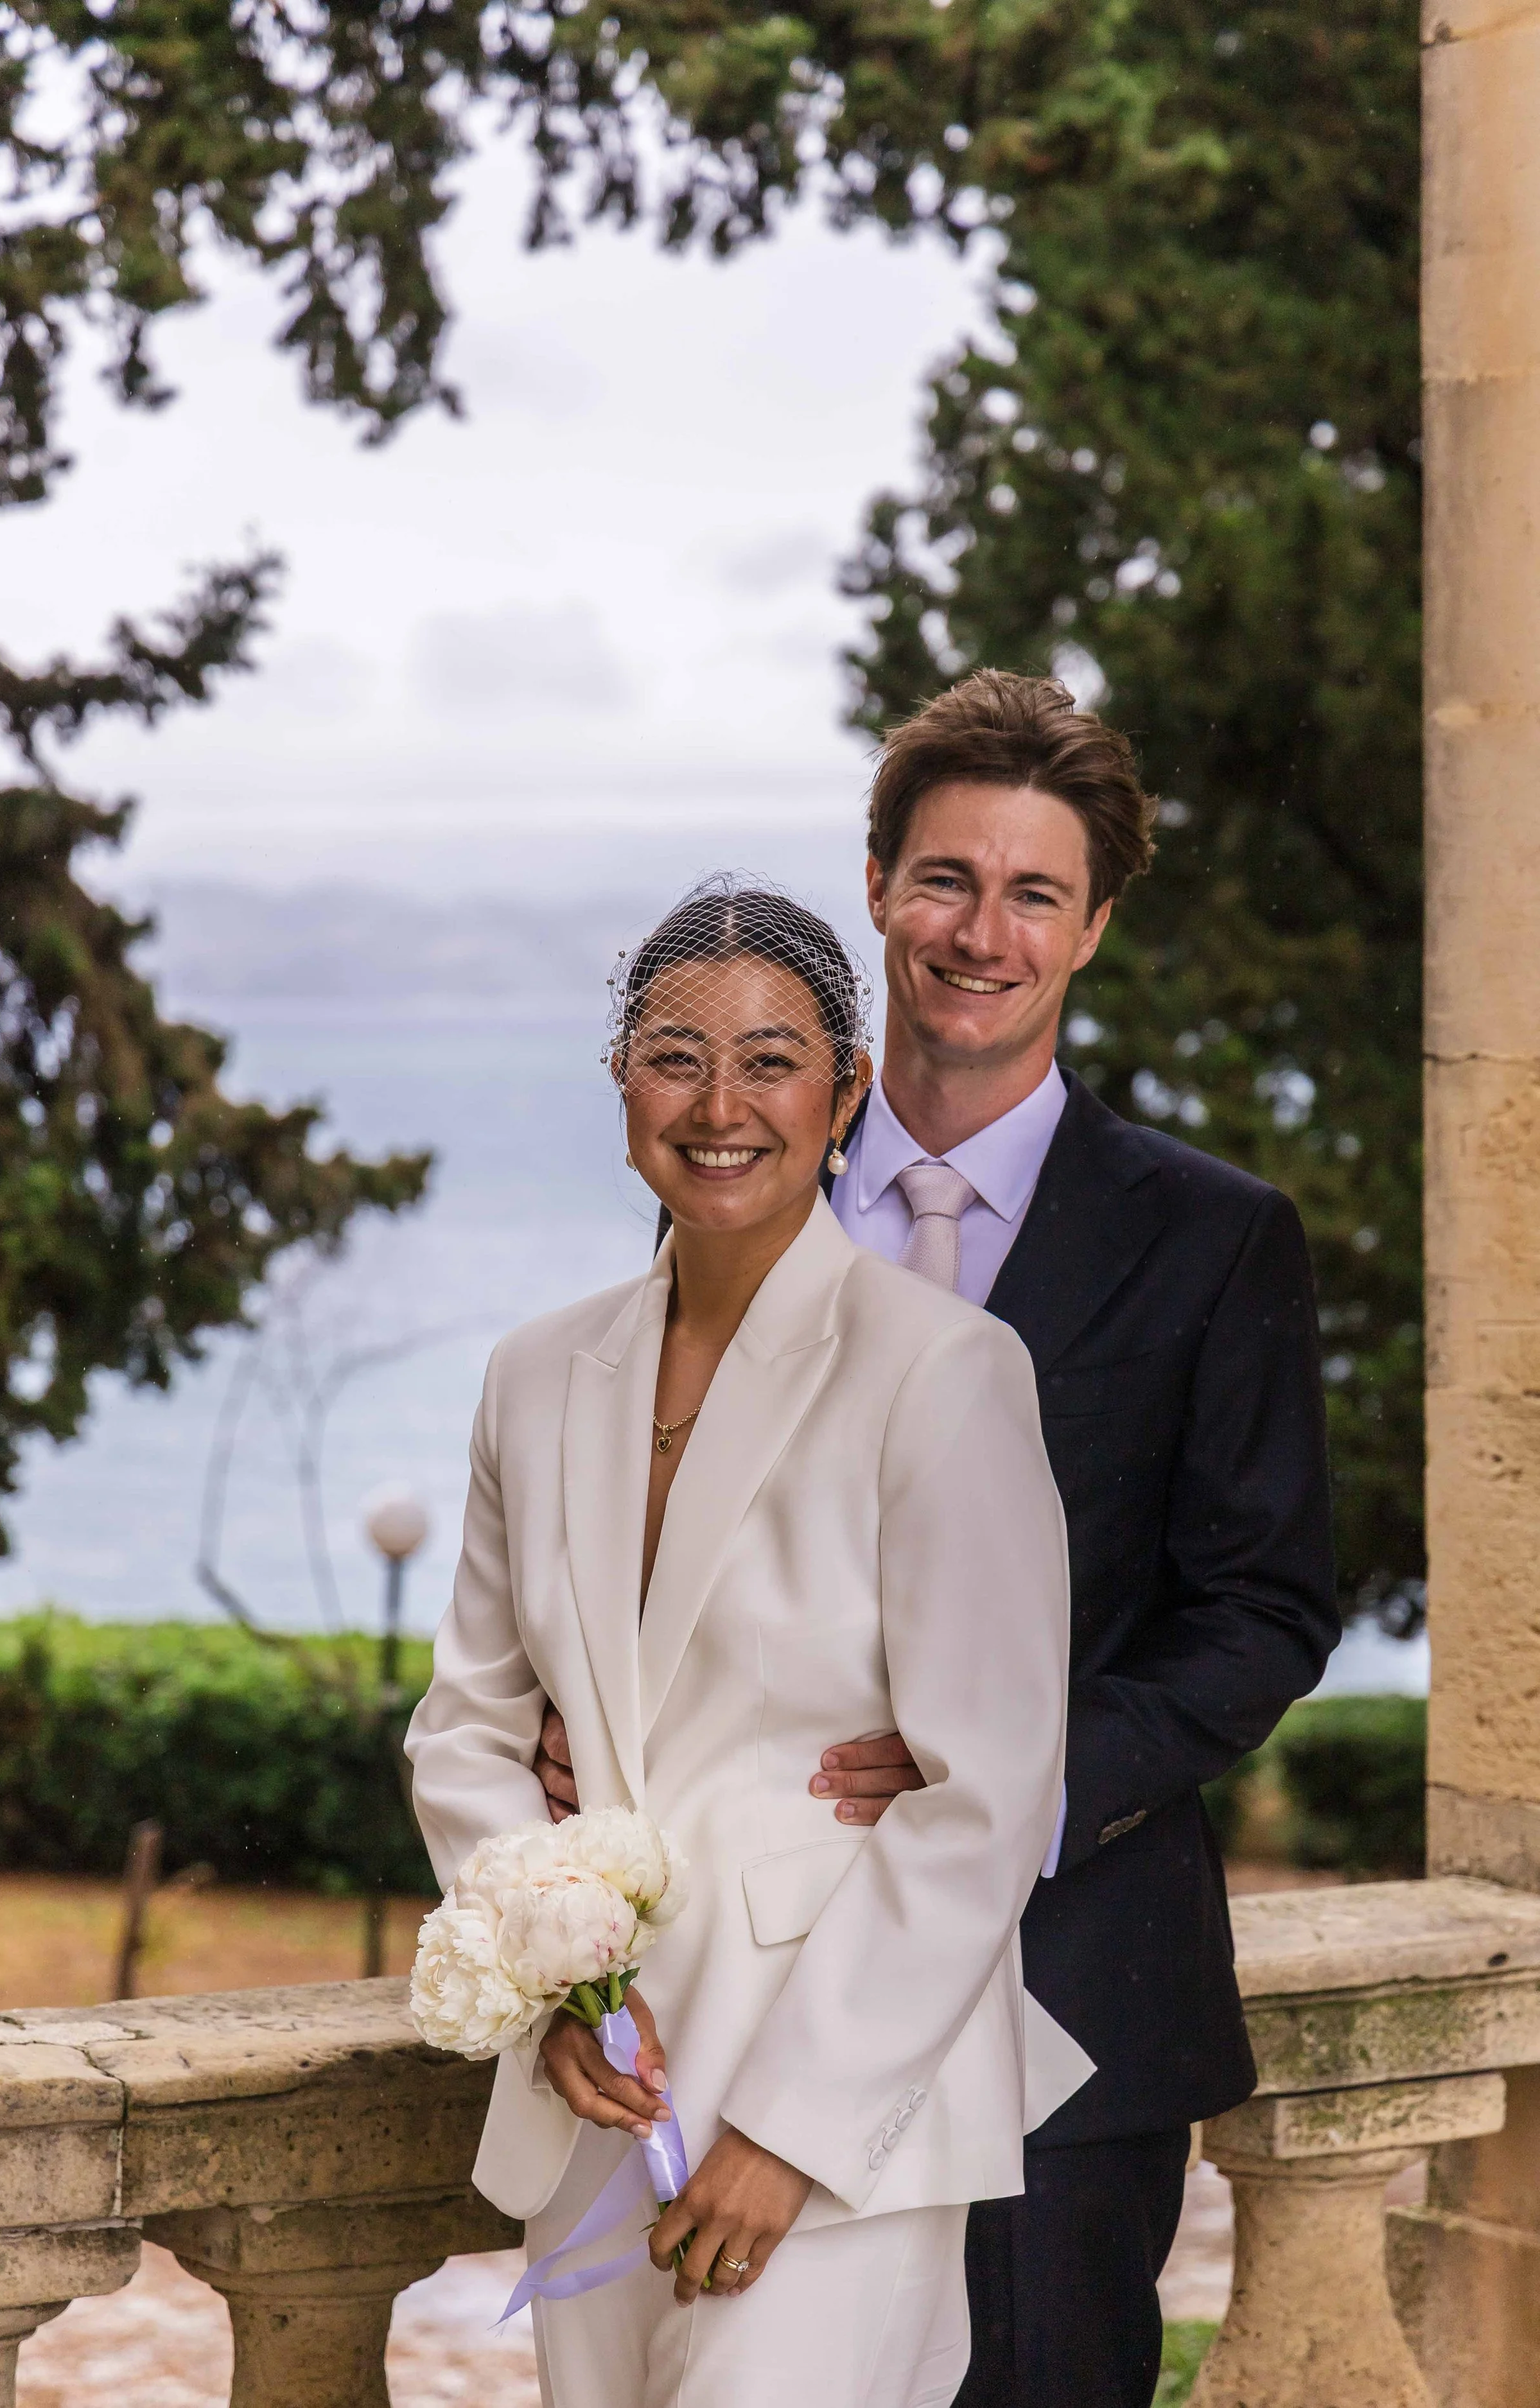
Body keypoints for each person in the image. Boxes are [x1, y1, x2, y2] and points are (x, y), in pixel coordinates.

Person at [538, 673, 1341, 2407]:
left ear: (1093, 925)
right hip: (717, 2014)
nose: (982, 931)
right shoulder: (729, 1183)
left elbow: (1263, 1607)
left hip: (1067, 2003)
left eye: (1032, 891)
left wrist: (1008, 1773)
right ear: (882, 888)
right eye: (943, 880)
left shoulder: (1212, 1238)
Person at [407, 879, 1091, 2408]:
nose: (721, 1105)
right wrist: (548, 1981)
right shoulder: (532, 1376)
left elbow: (982, 1795)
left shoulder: (945, 1373)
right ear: (619, 1083)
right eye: (674, 1055)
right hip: (601, 2080)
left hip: (837, 2090)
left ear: (844, 1091)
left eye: (772, 1059)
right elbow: (463, 1728)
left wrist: (792, 2131)